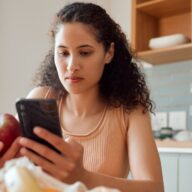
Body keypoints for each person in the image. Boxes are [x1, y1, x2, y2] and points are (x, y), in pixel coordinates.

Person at [0, 2, 164, 192]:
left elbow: (155, 188)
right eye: (63, 53)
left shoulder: (131, 112)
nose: (71, 66)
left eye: (85, 53)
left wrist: (83, 177)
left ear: (108, 53)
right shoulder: (40, 98)